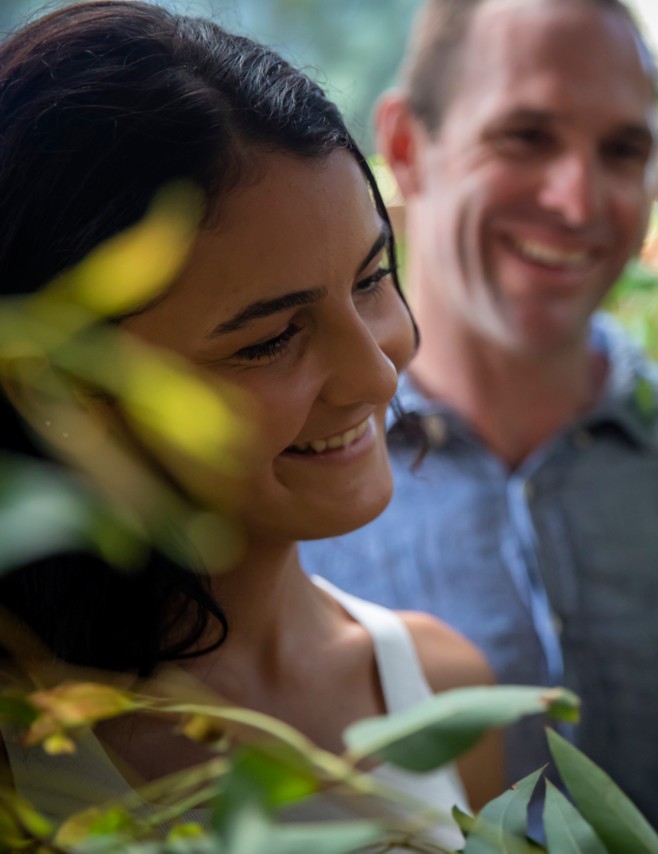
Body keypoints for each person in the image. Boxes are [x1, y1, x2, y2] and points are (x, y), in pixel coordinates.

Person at [298, 0, 658, 851]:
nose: (578, 199)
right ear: (405, 147)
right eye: (526, 136)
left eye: (623, 151)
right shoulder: (286, 485)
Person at [0, 2, 502, 846]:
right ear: (60, 382)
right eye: (271, 339)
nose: (377, 372)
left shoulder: (446, 693)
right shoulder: (23, 754)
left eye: (373, 278)